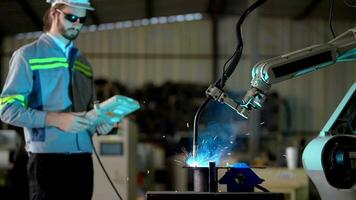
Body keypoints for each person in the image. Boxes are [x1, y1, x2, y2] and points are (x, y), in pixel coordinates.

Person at [0, 0, 114, 199]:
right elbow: (8, 109)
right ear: (54, 13)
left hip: (83, 163)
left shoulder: (83, 62)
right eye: (71, 17)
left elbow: (89, 109)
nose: (77, 23)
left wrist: (99, 124)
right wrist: (57, 119)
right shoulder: (27, 56)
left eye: (82, 19)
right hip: (47, 162)